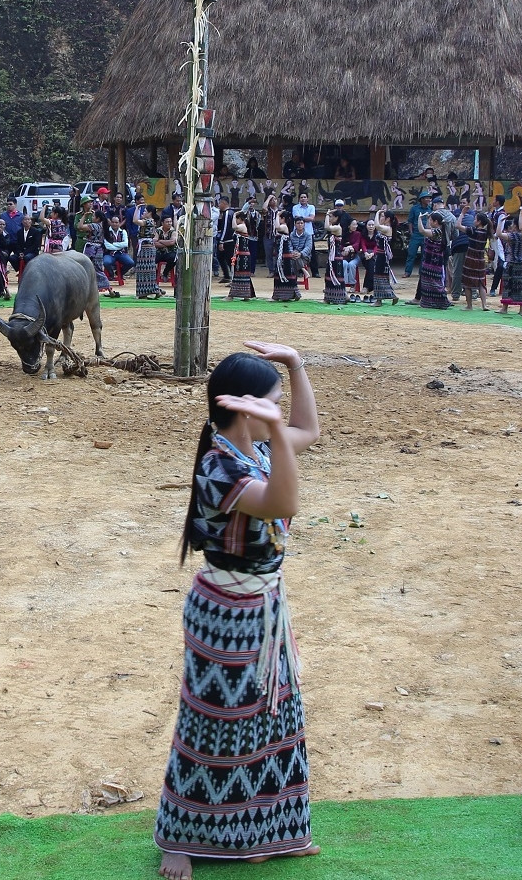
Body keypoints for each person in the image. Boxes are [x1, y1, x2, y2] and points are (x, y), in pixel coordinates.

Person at [155, 344, 320, 880]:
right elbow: (282, 504)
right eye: (272, 402)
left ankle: (274, 827)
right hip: (226, 611)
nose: (281, 411)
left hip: (263, 606)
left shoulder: (254, 449)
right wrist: (275, 435)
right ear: (248, 411)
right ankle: (179, 838)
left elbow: (308, 430)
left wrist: (294, 366)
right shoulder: (220, 467)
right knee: (212, 722)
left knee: (274, 714)